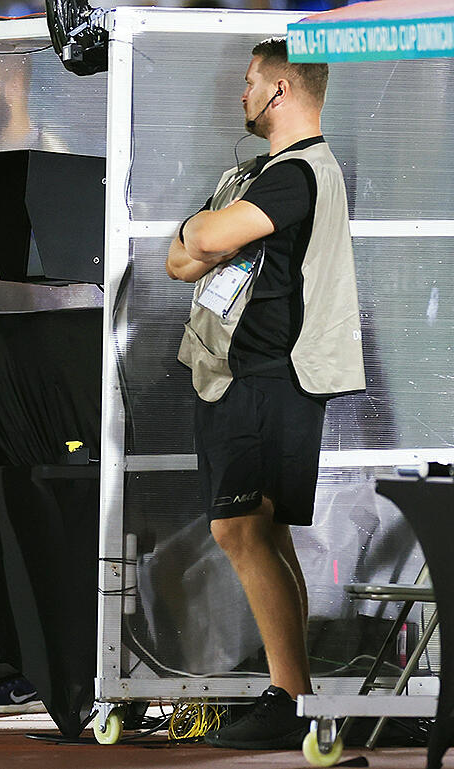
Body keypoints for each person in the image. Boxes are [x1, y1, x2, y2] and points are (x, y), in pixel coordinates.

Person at [166, 37, 364, 749]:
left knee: (240, 528)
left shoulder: (296, 172)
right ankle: (294, 695)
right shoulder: (262, 173)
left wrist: (205, 232)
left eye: (250, 81)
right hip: (249, 373)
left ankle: (290, 697)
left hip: (266, 374)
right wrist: (203, 235)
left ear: (280, 90)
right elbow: (180, 260)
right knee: (263, 531)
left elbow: (203, 238)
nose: (240, 93)